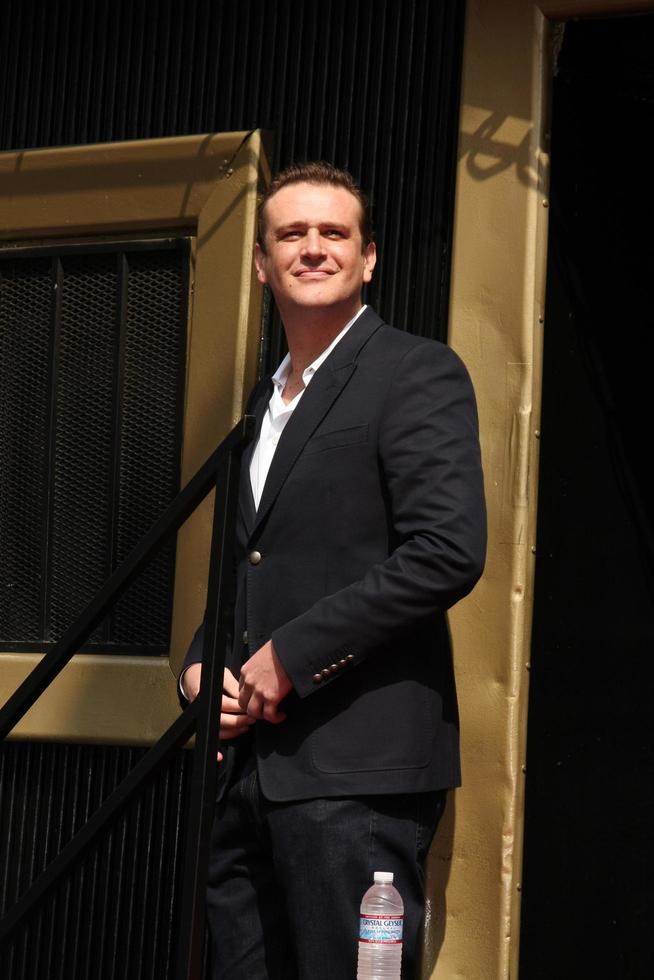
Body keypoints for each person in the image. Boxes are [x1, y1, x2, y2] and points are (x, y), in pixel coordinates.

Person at [179, 161, 486, 979]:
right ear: (260, 262)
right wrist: (203, 668)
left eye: (334, 233)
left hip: (356, 775)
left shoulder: (415, 372)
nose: (312, 249)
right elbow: (253, 563)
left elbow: (447, 552)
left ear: (369, 257)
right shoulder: (260, 403)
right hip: (243, 774)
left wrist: (288, 657)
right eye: (291, 234)